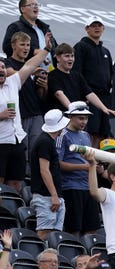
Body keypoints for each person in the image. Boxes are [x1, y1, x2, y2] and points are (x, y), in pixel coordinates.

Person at [0, 31, 52, 192]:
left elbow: (29, 66)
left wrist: (46, 50)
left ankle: (12, 213)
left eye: (2, 67)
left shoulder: (13, 82)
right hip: (1, 142)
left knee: (16, 183)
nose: (2, 70)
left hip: (17, 139)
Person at [56, 101, 101, 236]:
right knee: (73, 229)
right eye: (80, 118)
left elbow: (90, 159)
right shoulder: (62, 134)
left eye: (86, 118)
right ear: (70, 117)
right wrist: (86, 167)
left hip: (89, 187)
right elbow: (57, 164)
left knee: (92, 229)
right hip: (71, 187)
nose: (84, 121)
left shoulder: (86, 135)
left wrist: (95, 167)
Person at [47, 43, 115, 118]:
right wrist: (72, 110)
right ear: (58, 58)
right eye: (67, 56)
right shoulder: (53, 75)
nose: (70, 59)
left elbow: (89, 94)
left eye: (72, 56)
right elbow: (59, 94)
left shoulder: (77, 75)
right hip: (62, 116)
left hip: (76, 116)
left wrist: (104, 108)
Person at [72, 16, 112, 145]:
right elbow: (76, 73)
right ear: (86, 28)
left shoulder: (106, 51)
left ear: (103, 28)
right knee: (89, 131)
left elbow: (110, 75)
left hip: (104, 98)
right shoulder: (80, 47)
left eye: (99, 25)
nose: (97, 28)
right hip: (89, 97)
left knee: (103, 132)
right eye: (93, 25)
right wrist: (83, 95)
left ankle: (97, 162)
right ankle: (88, 162)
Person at [29, 109, 69, 239]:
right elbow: (44, 170)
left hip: (52, 196)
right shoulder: (44, 142)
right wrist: (54, 195)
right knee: (45, 233)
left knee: (55, 237)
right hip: (46, 196)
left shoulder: (47, 141)